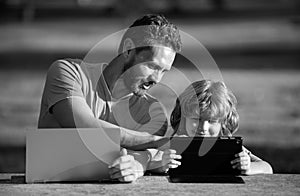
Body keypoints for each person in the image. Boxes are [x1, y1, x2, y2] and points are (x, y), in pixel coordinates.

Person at [37, 14, 182, 182]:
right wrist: (152, 141)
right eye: (152, 66)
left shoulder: (152, 113)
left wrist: (142, 162)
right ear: (128, 49)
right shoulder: (69, 72)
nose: (157, 79)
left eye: (164, 71)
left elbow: (145, 159)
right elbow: (84, 126)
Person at [149, 80, 273, 175]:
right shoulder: (174, 143)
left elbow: (267, 168)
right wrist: (161, 165)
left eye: (212, 121)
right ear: (183, 118)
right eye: (196, 119)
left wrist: (249, 167)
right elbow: (148, 165)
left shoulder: (226, 146)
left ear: (223, 123)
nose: (203, 127)